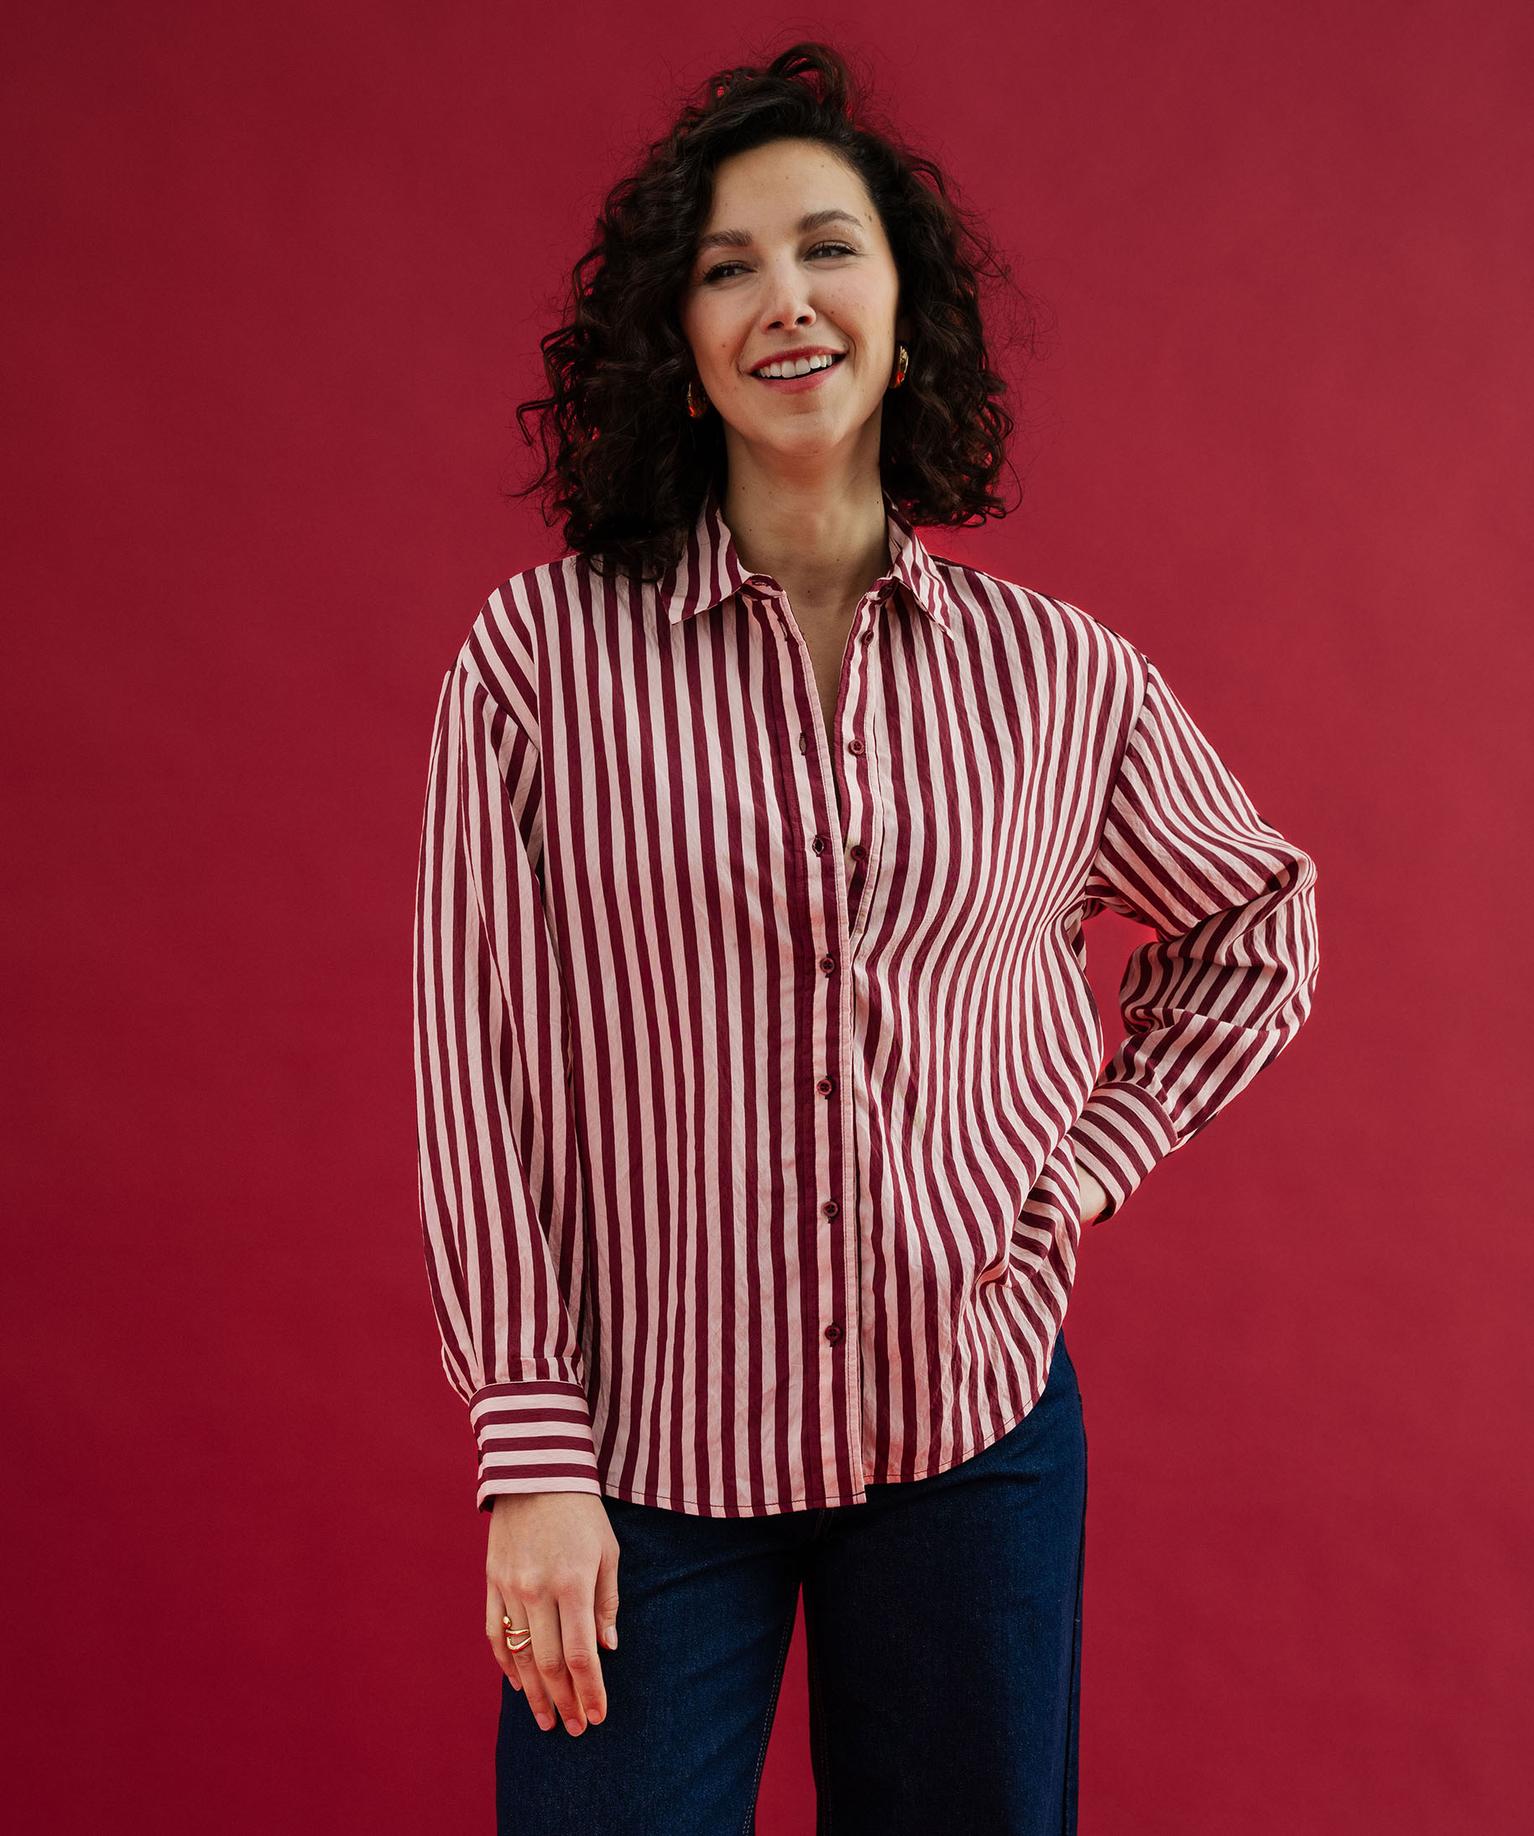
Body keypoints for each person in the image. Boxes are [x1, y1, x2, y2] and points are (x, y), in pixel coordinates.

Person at [411, 41, 1321, 1835]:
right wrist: (529, 1452)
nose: (784, 300)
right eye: (726, 267)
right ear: (675, 344)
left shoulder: (1057, 678)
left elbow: (1256, 918)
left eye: (828, 249)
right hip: (641, 1458)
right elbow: (476, 1075)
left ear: (905, 321)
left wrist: (1070, 1178)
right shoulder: (536, 662)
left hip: (967, 1438)